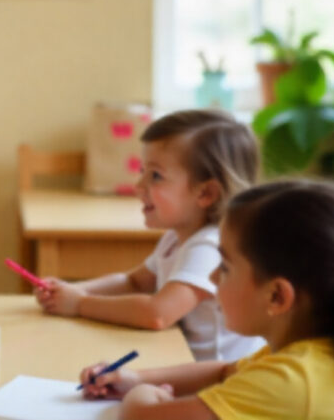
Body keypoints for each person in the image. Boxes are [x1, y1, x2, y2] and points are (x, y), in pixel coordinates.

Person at [76, 180, 334, 420]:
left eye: (225, 267)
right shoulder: (314, 354)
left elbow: (142, 417)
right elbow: (223, 373)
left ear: (277, 296)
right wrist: (135, 378)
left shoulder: (292, 380)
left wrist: (145, 395)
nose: (213, 279)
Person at [36, 110, 265, 361]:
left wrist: (80, 304)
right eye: (143, 171)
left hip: (216, 383)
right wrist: (73, 290)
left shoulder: (209, 247)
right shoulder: (175, 238)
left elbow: (158, 313)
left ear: (206, 193)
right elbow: (133, 282)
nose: (139, 185)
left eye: (155, 176)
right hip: (180, 365)